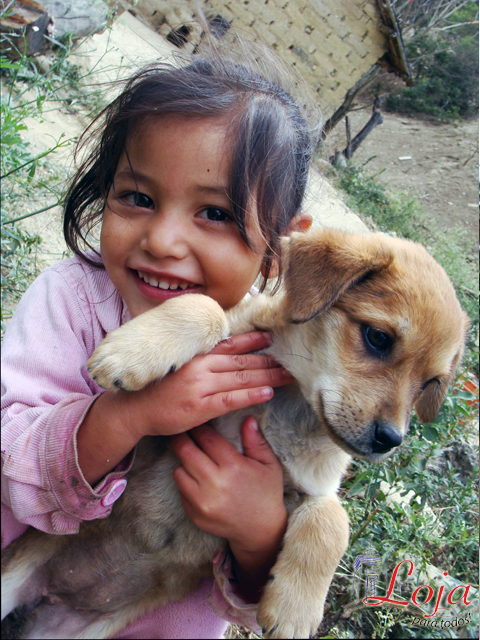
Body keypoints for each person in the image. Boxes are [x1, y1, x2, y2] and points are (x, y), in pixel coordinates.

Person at [1, 42, 318, 638]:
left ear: (283, 247)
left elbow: (255, 605)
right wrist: (130, 415)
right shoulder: (72, 300)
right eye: (138, 198)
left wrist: (257, 534)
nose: (164, 241)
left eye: (217, 214)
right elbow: (8, 451)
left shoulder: (273, 363)